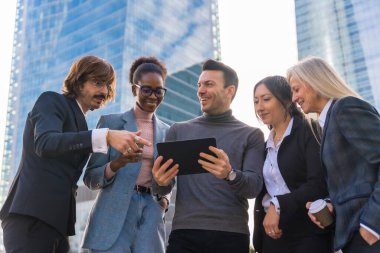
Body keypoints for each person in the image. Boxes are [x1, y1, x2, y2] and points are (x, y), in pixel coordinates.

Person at [0, 55, 151, 253]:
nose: (104, 91)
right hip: (31, 217)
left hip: (57, 224)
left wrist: (118, 162)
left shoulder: (81, 122)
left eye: (107, 85)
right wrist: (105, 135)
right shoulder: (51, 100)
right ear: (78, 82)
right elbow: (45, 143)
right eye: (97, 83)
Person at [152, 59, 265, 253]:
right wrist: (160, 181)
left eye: (209, 84)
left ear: (230, 91)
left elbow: (254, 187)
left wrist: (229, 173)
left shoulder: (252, 135)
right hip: (184, 234)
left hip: (231, 235)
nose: (201, 91)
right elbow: (161, 187)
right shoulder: (178, 131)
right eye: (199, 85)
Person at [287, 56, 380, 253]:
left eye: (296, 89)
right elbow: (356, 179)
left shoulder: (345, 108)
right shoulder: (327, 123)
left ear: (314, 81)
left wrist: (372, 224)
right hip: (353, 235)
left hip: (369, 233)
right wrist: (330, 204)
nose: (293, 99)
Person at [81, 56, 170, 253]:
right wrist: (117, 163)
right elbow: (90, 178)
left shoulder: (168, 132)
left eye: (158, 91)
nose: (153, 96)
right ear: (134, 89)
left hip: (151, 213)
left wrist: (164, 199)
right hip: (113, 213)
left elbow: (170, 181)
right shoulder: (110, 123)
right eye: (146, 89)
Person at [252, 75, 333, 253]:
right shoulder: (265, 145)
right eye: (256, 101)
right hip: (272, 235)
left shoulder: (309, 130)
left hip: (307, 232)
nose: (259, 107)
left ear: (287, 100)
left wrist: (278, 204)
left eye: (266, 99)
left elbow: (318, 183)